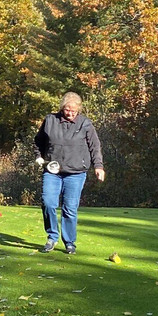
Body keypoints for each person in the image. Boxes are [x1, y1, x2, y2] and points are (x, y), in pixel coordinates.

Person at [33, 92, 105, 254]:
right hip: (52, 170)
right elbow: (38, 141)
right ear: (61, 108)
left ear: (79, 109)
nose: (70, 113)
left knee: (69, 208)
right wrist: (38, 156)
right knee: (48, 202)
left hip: (76, 172)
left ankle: (69, 242)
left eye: (74, 111)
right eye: (67, 110)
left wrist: (98, 166)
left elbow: (95, 147)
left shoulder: (85, 124)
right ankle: (52, 237)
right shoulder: (50, 120)